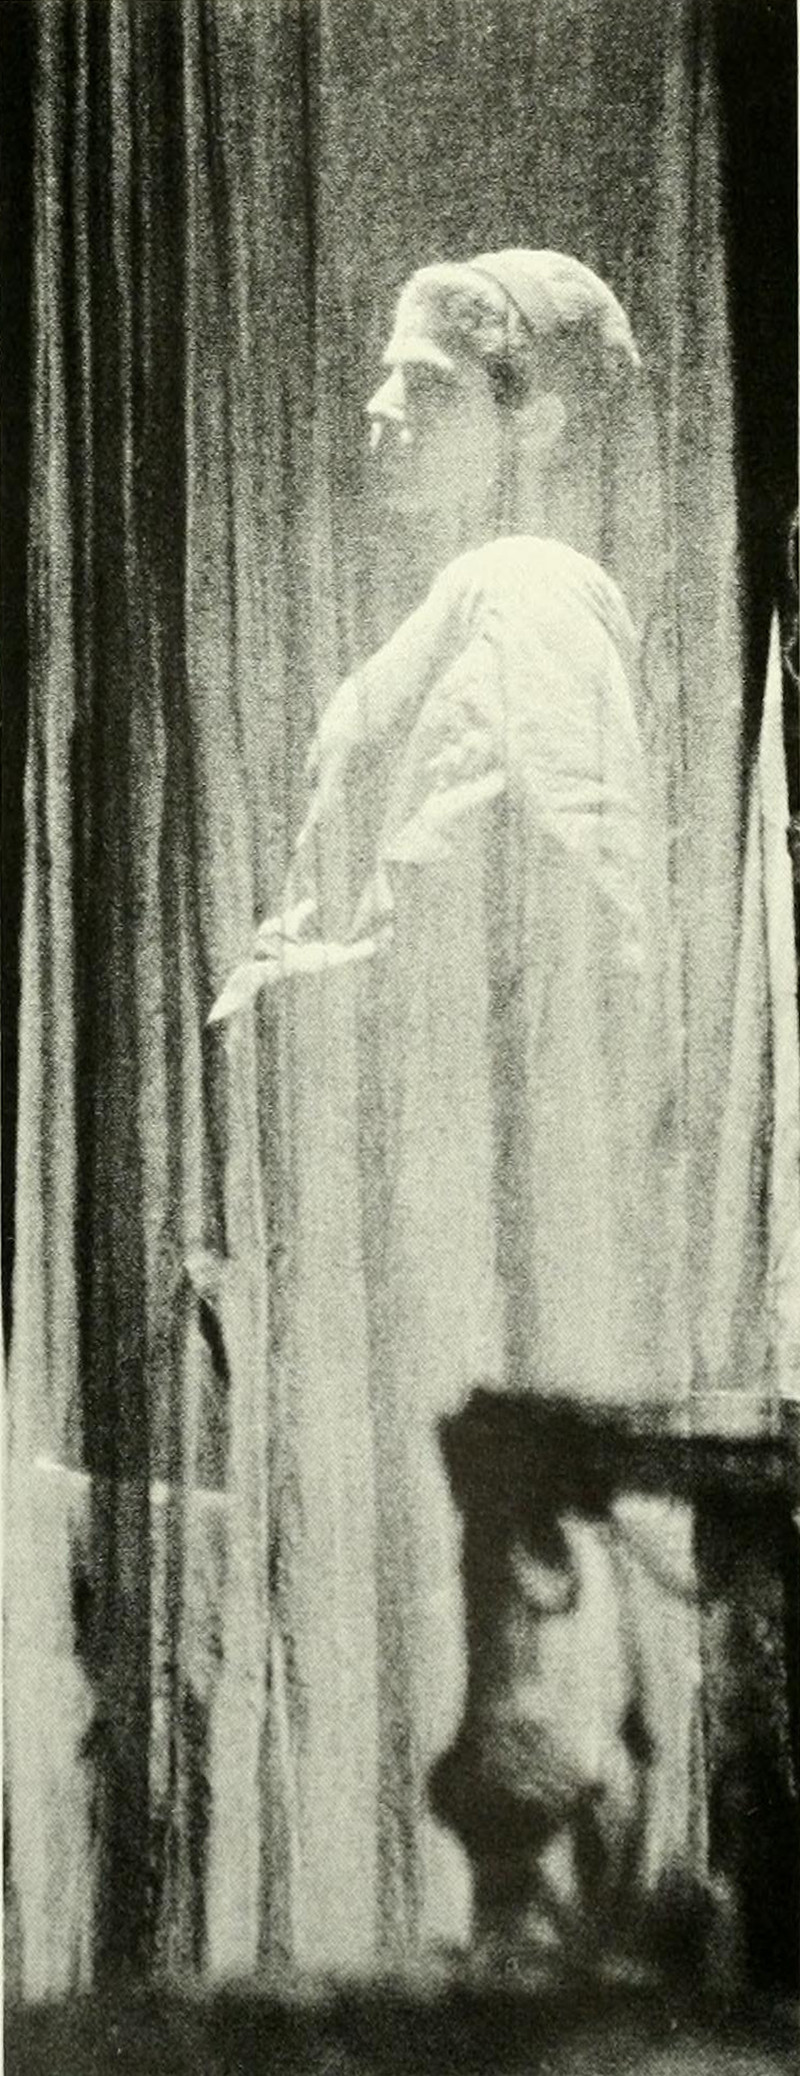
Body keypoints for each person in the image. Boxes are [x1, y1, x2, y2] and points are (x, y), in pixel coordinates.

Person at [212, 251, 699, 1972]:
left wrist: (295, 985)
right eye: (386, 376)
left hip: (451, 1192)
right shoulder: (475, 596)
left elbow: (550, 895)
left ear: (535, 424)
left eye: (427, 385)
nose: (378, 409)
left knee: (470, 1604)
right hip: (406, 1184)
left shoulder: (527, 585)